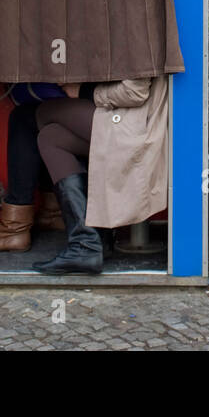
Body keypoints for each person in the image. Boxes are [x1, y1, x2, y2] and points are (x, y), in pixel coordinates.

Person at [31, 76, 170, 275]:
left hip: (139, 123)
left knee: (44, 112)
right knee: (51, 138)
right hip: (128, 116)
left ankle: (87, 243)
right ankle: (89, 242)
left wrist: (84, 91)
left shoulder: (139, 43)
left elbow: (135, 92)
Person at [0, 94, 66, 253]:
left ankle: (13, 229)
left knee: (24, 117)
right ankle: (53, 212)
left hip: (111, 117)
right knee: (46, 116)